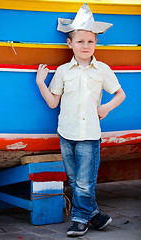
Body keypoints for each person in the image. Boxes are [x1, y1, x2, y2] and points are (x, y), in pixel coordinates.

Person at [36, 3, 125, 237]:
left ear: (96, 42)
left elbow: (120, 94)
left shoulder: (102, 69)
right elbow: (53, 103)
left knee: (85, 182)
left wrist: (106, 107)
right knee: (75, 180)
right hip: (66, 133)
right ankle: (94, 214)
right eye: (80, 41)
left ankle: (79, 219)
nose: (86, 46)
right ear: (70, 43)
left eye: (90, 41)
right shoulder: (64, 71)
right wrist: (40, 83)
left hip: (89, 135)